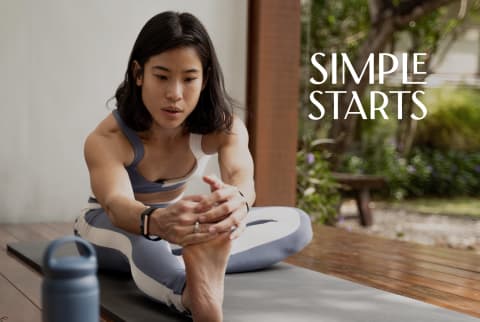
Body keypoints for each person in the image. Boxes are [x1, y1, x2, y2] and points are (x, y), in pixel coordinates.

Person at [74, 11, 312, 322]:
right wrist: (160, 223)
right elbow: (117, 206)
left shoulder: (224, 128)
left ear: (205, 78)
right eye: (162, 76)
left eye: (189, 79)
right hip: (110, 226)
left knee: (296, 224)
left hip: (176, 230)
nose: (175, 94)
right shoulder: (108, 138)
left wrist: (236, 204)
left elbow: (242, 178)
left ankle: (197, 252)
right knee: (143, 240)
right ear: (138, 73)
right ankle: (190, 292)